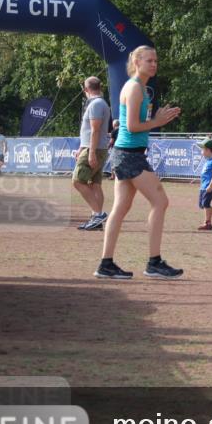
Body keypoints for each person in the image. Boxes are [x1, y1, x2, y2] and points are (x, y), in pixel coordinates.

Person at [96, 45, 183, 280]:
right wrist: (157, 122)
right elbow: (133, 126)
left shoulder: (141, 88)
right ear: (137, 62)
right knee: (160, 201)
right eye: (149, 61)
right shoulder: (134, 88)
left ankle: (106, 264)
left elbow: (134, 125)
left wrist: (156, 120)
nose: (154, 64)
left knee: (120, 209)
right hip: (129, 155)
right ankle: (154, 262)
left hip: (128, 153)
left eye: (155, 60)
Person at [73, 76, 112, 231]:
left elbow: (95, 130)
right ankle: (96, 221)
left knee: (77, 181)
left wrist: (91, 153)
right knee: (95, 184)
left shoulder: (96, 104)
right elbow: (90, 131)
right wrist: (82, 149)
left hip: (94, 149)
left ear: (86, 90)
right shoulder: (101, 103)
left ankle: (98, 214)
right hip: (94, 148)